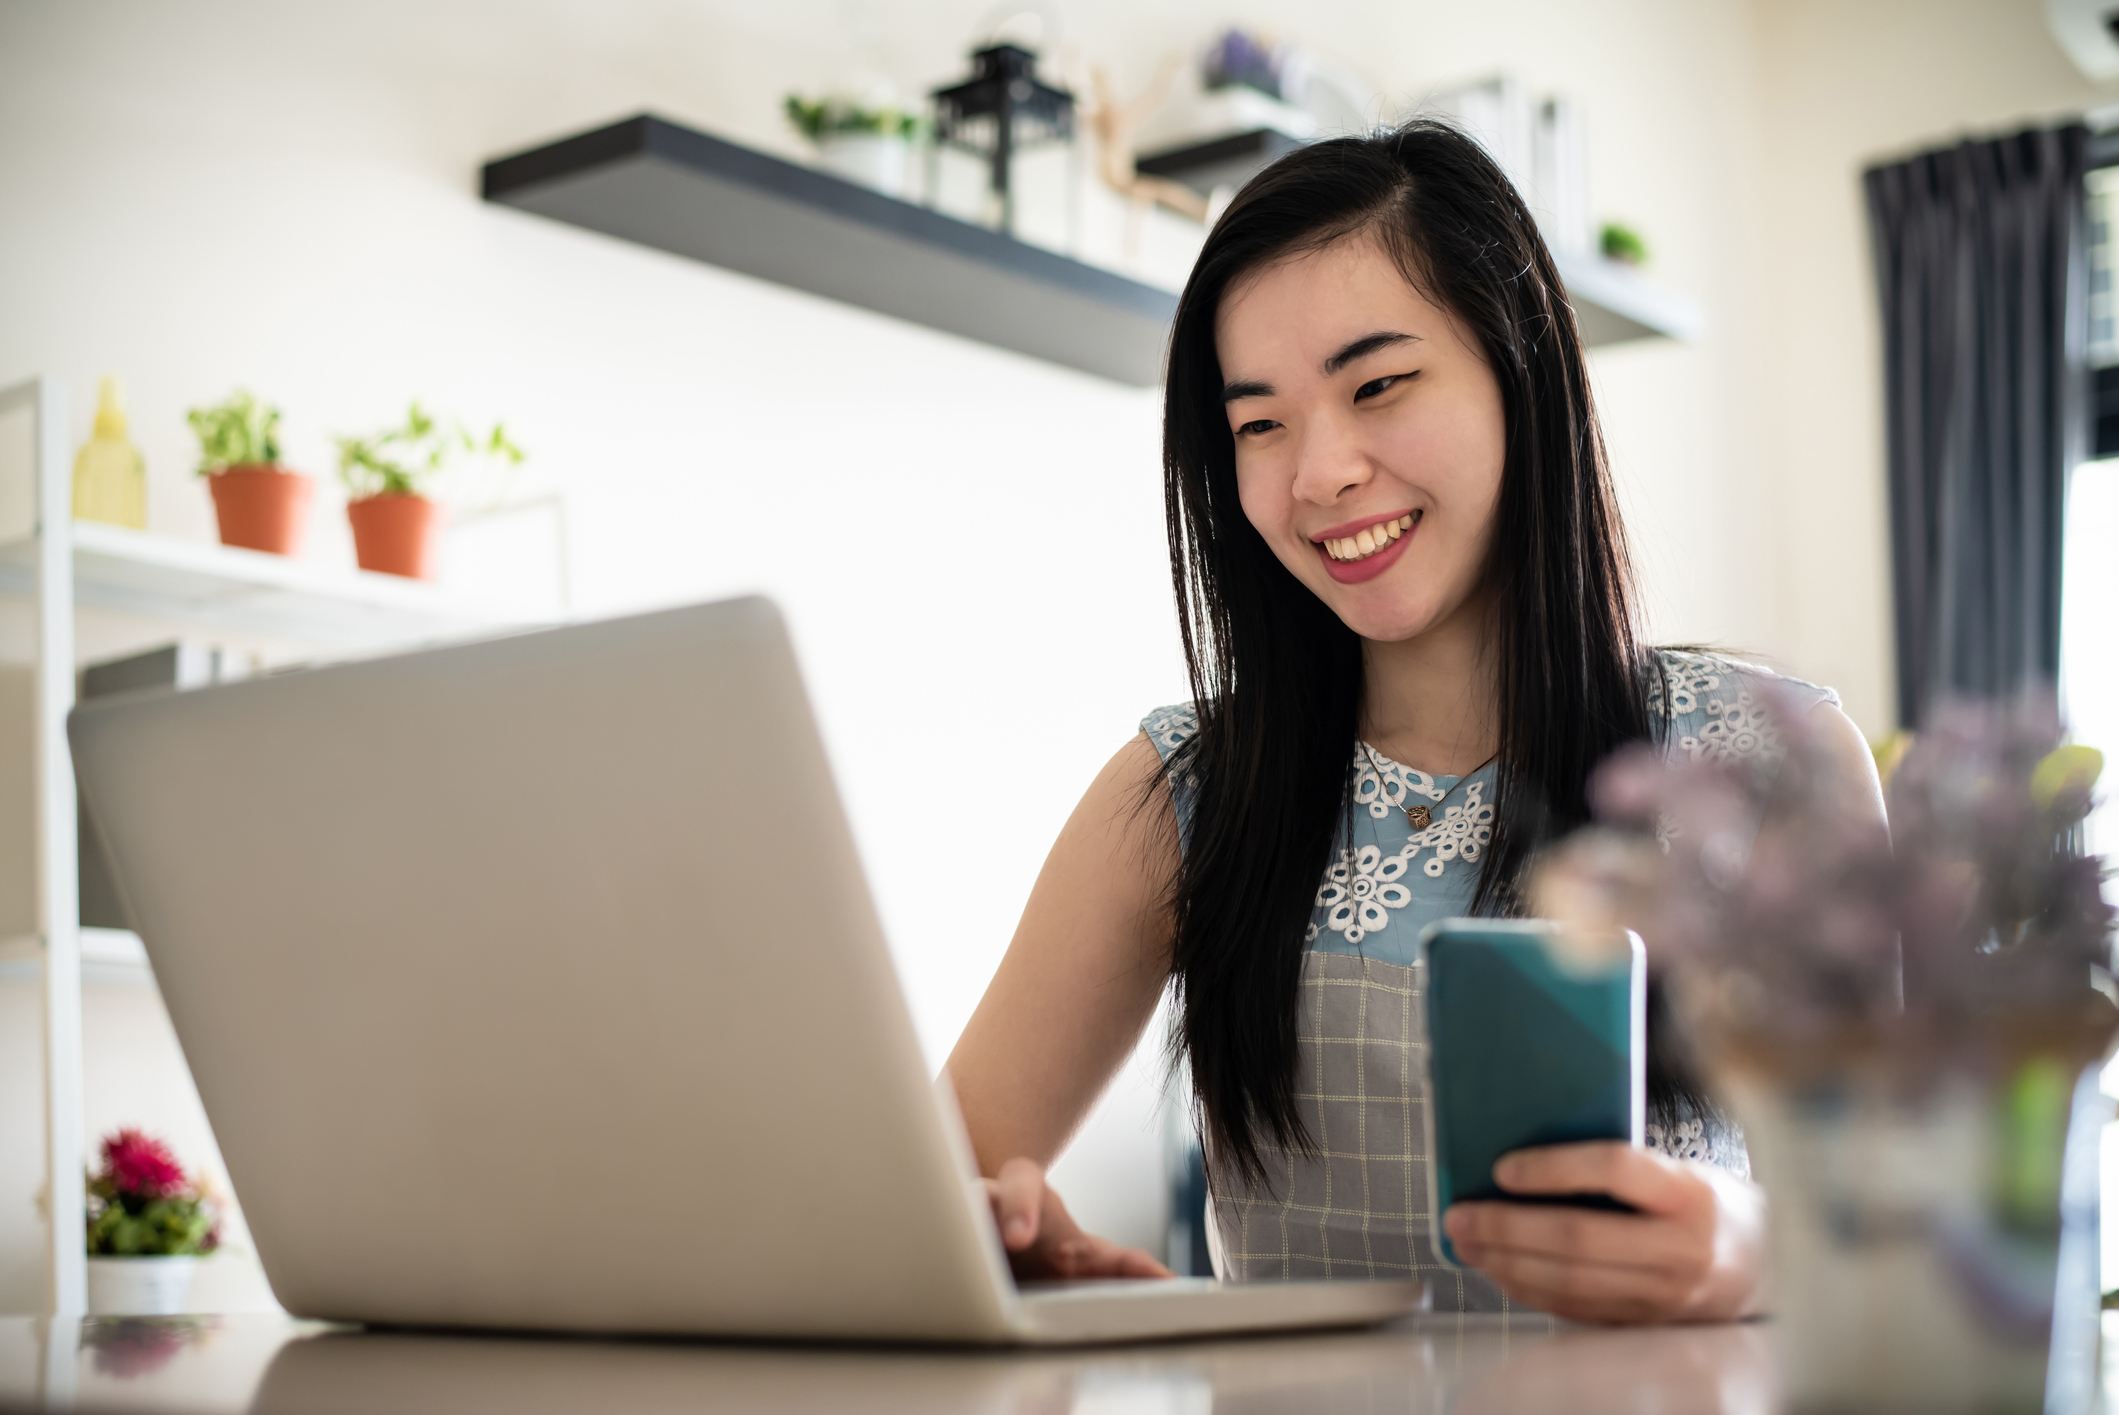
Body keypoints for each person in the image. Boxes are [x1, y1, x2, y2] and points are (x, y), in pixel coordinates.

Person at [941, 119, 1888, 1324]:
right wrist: (1010, 1248)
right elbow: (930, 1196)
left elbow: (1914, 1237)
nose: (1318, 472)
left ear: (1519, 373)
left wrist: (1751, 1245)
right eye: (1259, 422)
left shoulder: (1763, 760)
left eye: (1377, 384)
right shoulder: (1181, 791)